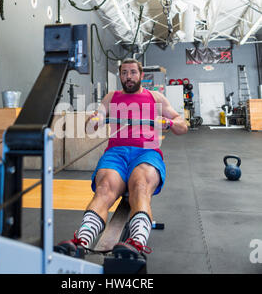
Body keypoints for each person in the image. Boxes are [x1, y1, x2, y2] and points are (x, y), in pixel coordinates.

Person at [56, 58, 188, 259]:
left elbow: (182, 125)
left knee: (140, 186)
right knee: (104, 189)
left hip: (146, 152)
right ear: (120, 76)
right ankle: (81, 242)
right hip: (116, 153)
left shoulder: (156, 98)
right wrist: (97, 118)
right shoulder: (111, 97)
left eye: (133, 72)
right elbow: (93, 122)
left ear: (141, 75)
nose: (128, 76)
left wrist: (168, 122)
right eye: (124, 73)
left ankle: (136, 244)